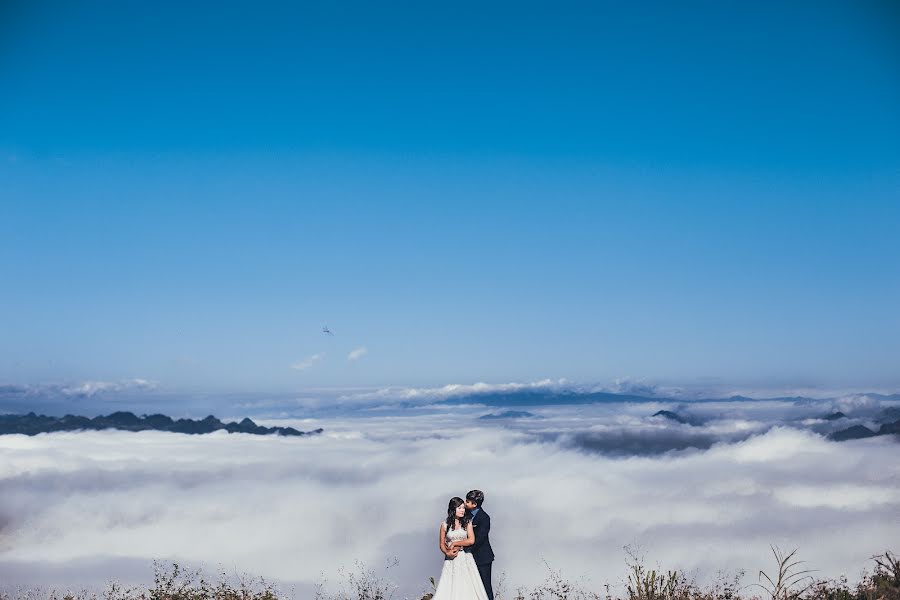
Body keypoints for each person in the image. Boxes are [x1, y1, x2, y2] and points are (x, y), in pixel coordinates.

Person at [432, 497, 489, 600]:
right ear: (453, 509)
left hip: (465, 557)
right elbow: (441, 544)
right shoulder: (445, 525)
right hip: (451, 560)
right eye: (460, 508)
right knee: (450, 586)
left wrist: (455, 543)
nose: (463, 510)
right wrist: (447, 553)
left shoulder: (467, 522)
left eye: (463, 508)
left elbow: (471, 540)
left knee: (468, 586)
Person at [463, 490, 494, 600]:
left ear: (474, 504)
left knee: (485, 587)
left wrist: (465, 548)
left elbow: (480, 538)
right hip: (467, 557)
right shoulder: (464, 514)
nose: (464, 503)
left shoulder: (484, 518)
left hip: (482, 558)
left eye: (467, 501)